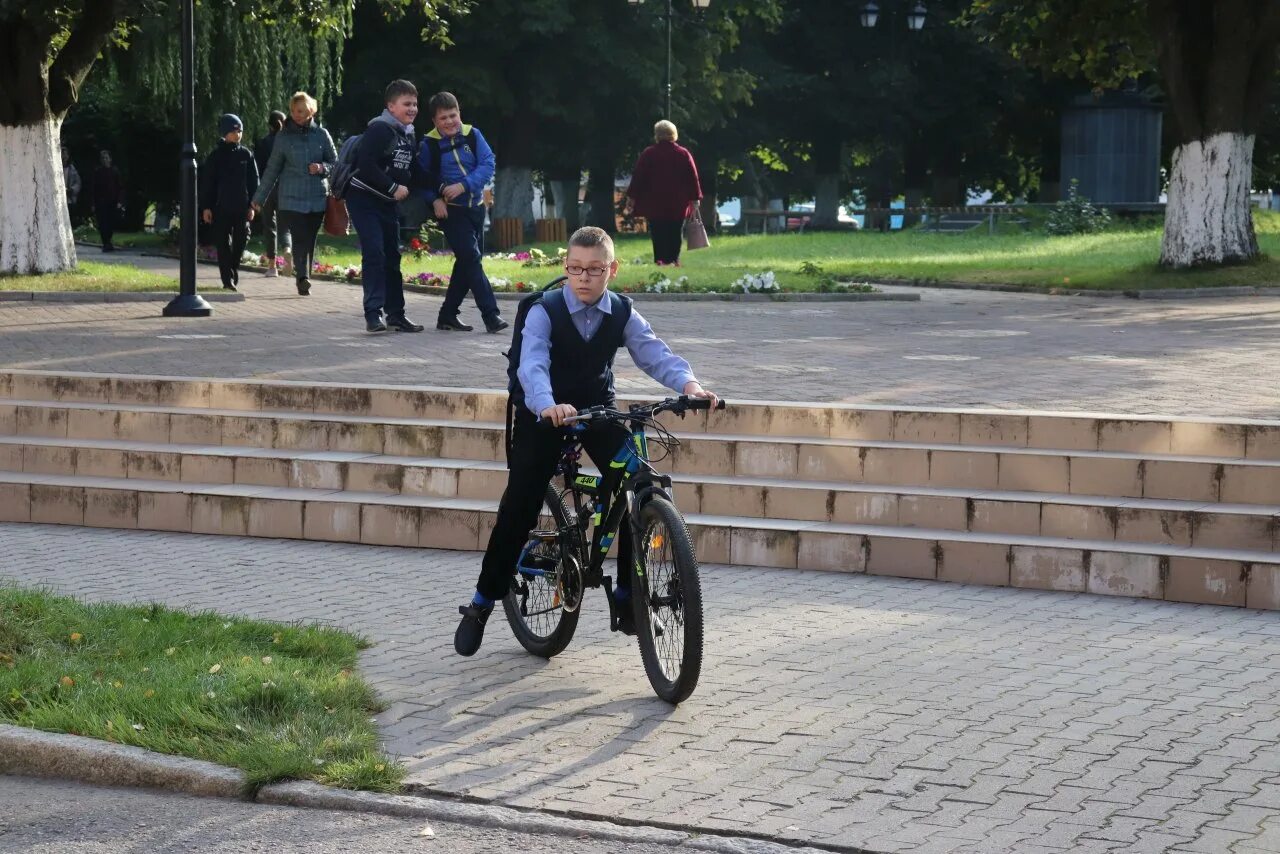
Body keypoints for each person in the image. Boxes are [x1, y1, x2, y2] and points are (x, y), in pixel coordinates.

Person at [453, 226, 718, 657]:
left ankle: (630, 596)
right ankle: (482, 601)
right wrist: (547, 404)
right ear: (566, 268)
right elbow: (532, 363)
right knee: (520, 503)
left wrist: (691, 386)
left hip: (598, 410)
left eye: (594, 269)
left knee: (639, 478)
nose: (583, 278)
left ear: (611, 269)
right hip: (545, 414)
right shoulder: (544, 310)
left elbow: (655, 353)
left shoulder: (623, 313)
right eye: (575, 268)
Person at [417, 91, 506, 333]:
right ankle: (491, 315)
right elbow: (421, 179)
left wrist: (464, 185)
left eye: (453, 116)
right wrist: (435, 200)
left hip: (476, 208)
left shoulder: (473, 135)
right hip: (452, 213)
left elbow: (488, 164)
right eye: (443, 118)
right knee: (472, 260)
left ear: (459, 114)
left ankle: (447, 315)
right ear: (434, 122)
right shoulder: (429, 145)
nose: (449, 122)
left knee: (466, 263)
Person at [347, 79, 426, 333]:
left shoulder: (408, 134)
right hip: (363, 199)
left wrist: (441, 189)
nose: (412, 108)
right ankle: (373, 314)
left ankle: (396, 314)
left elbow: (414, 170)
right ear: (391, 106)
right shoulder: (380, 130)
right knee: (375, 254)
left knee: (392, 257)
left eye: (415, 103)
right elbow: (366, 164)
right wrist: (392, 187)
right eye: (406, 104)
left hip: (387, 204)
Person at [252, 91, 336, 295]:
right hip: (291, 198)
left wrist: (321, 168)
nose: (296, 114)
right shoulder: (283, 136)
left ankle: (303, 273)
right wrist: (259, 198)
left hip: (317, 197)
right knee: (298, 237)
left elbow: (336, 163)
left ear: (310, 111)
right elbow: (272, 168)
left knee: (309, 239)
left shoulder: (322, 135)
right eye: (293, 110)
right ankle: (302, 277)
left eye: (300, 111)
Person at [626, 120, 703, 266]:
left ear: (657, 135)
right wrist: (695, 198)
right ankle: (674, 260)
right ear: (673, 134)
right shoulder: (683, 153)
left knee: (658, 231)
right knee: (675, 231)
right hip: (678, 202)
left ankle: (660, 260)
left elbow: (638, 177)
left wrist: (632, 197)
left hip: (655, 201)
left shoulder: (649, 153)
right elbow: (693, 177)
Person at [200, 114, 259, 291]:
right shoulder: (215, 157)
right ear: (225, 132)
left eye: (240, 131)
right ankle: (227, 279)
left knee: (241, 239)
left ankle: (232, 267)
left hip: (242, 206)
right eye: (234, 131)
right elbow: (208, 184)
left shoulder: (246, 155)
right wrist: (206, 207)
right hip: (221, 206)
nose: (238, 134)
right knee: (222, 243)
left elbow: (254, 181)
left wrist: (253, 205)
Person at [253, 110, 291, 278]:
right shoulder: (288, 142)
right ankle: (287, 249)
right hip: (285, 188)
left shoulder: (263, 143)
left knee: (269, 226)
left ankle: (272, 266)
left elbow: (258, 169)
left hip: (267, 189)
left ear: (269, 125)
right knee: (285, 225)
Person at [91, 150, 125, 252]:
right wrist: (92, 203)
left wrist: (120, 201)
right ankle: (106, 243)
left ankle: (108, 241)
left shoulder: (115, 171)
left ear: (110, 159)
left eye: (106, 158)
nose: (104, 160)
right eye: (103, 158)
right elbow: (93, 188)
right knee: (102, 223)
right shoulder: (98, 172)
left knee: (110, 223)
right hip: (101, 202)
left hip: (112, 201)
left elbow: (120, 187)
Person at [61, 146, 81, 224]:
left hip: (70, 199)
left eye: (65, 154)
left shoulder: (72, 169)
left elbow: (78, 183)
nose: (63, 157)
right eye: (62, 154)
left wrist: (72, 190)